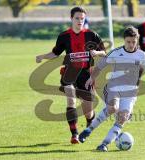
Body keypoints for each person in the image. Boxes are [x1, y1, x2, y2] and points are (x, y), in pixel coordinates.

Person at [78, 26, 145, 151]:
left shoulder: (141, 55)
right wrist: (92, 78)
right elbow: (100, 66)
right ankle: (88, 130)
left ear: (137, 40)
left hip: (131, 92)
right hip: (114, 87)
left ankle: (103, 144)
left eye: (133, 42)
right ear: (124, 40)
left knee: (122, 118)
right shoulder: (116, 52)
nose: (131, 44)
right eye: (128, 42)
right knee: (112, 108)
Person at [35, 6, 106, 144]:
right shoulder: (64, 36)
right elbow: (55, 53)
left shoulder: (92, 35)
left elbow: (104, 52)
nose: (80, 21)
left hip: (86, 75)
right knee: (71, 99)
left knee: (88, 112)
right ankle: (74, 134)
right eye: (77, 18)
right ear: (71, 19)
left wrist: (96, 53)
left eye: (82, 18)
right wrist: (42, 56)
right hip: (69, 73)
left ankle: (89, 124)